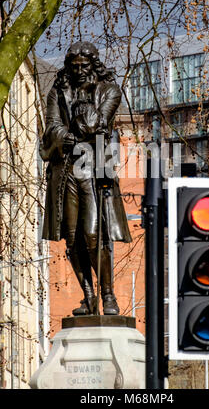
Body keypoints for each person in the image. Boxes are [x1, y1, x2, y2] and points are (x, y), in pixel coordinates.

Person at [39, 41, 131, 315]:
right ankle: (88, 296)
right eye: (74, 66)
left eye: (84, 66)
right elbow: (52, 128)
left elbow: (96, 124)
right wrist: (67, 136)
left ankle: (108, 294)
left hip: (93, 169)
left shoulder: (109, 91)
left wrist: (83, 107)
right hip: (65, 170)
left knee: (93, 234)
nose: (79, 71)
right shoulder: (57, 92)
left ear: (94, 66)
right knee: (72, 236)